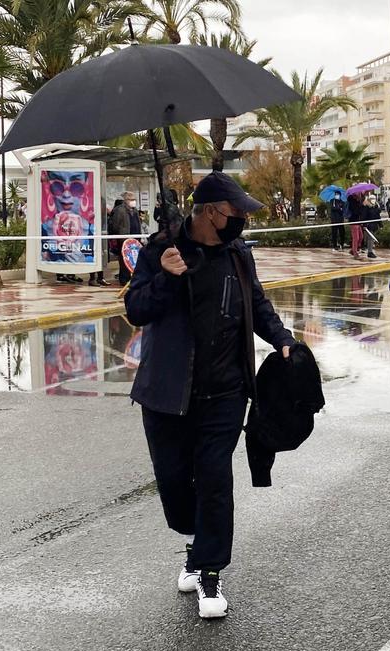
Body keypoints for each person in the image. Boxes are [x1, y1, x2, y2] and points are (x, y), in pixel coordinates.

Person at [124, 172, 298, 620]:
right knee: (177, 488)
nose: (241, 221)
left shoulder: (239, 255)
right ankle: (197, 543)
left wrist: (282, 339)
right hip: (167, 393)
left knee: (216, 479)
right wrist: (164, 276)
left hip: (225, 391)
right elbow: (136, 309)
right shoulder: (160, 249)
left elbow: (256, 304)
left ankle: (210, 572)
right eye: (235, 213)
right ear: (208, 212)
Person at [109, 191, 143, 284]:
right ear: (126, 200)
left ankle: (133, 277)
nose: (133, 201)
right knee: (124, 259)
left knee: (134, 258)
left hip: (135, 238)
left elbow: (138, 223)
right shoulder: (120, 210)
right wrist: (120, 234)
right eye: (131, 199)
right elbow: (115, 225)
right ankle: (124, 279)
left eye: (134, 199)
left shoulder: (135, 210)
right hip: (124, 238)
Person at [363, 194, 382, 259]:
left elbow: (378, 216)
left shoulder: (376, 207)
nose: (373, 200)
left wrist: (380, 224)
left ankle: (369, 250)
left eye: (374, 199)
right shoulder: (367, 207)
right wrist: (365, 224)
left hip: (374, 225)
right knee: (370, 239)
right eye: (372, 199)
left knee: (372, 239)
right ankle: (370, 252)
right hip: (369, 225)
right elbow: (364, 216)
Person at [348, 193, 365, 259]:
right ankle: (355, 252)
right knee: (356, 238)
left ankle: (353, 249)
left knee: (361, 237)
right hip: (353, 221)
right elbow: (355, 211)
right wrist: (360, 206)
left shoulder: (358, 201)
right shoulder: (352, 201)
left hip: (358, 221)